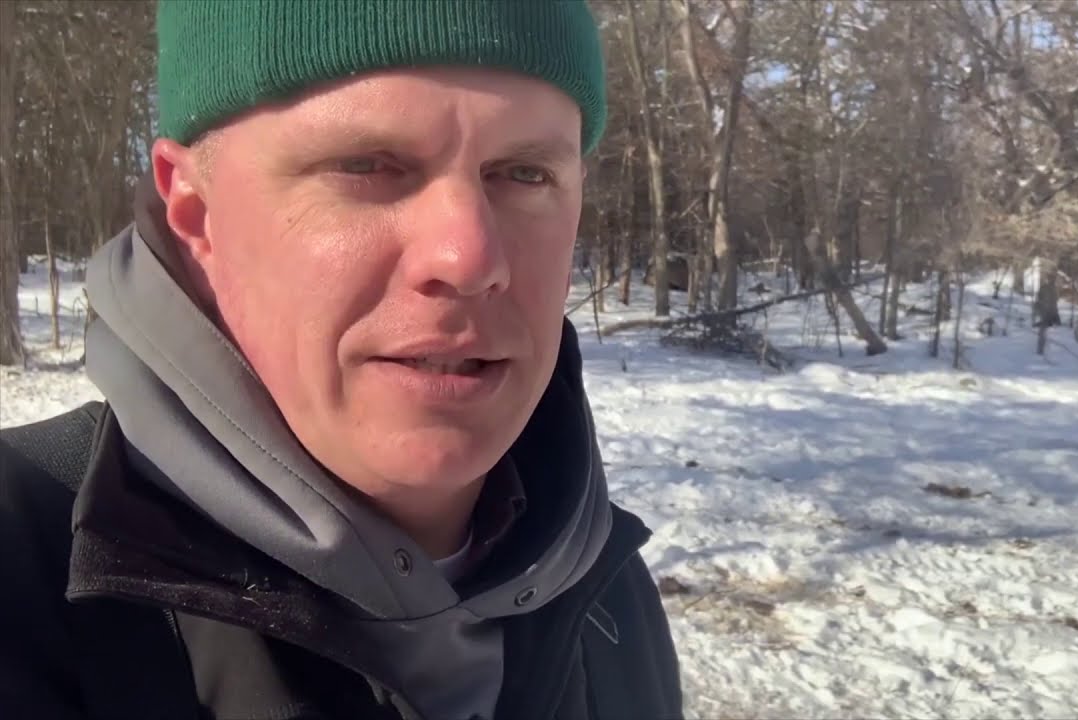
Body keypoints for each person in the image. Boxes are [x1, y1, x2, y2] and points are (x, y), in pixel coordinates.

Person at [0, 2, 682, 719]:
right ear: (198, 215)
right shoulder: (25, 574)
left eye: (524, 173)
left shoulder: (607, 595)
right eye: (366, 166)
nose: (470, 257)